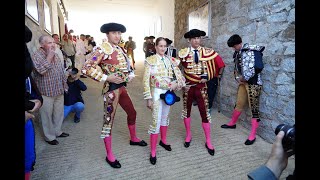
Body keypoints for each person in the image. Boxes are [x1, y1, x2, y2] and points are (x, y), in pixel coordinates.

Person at [81, 22, 147, 168]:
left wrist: (129, 74)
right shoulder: (102, 49)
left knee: (132, 112)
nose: (117, 36)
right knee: (108, 122)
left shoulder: (120, 48)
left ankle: (133, 138)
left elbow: (126, 66)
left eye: (119, 33)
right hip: (111, 90)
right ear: (107, 35)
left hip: (122, 88)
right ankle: (109, 155)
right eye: (114, 33)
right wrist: (106, 77)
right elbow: (86, 68)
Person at [178, 29, 222, 156]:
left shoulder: (208, 52)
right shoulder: (183, 53)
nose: (197, 40)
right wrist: (181, 83)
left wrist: (208, 76)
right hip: (188, 87)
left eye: (199, 38)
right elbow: (175, 69)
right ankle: (188, 135)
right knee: (186, 111)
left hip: (201, 87)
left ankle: (208, 140)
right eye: (194, 38)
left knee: (204, 112)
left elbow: (219, 65)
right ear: (189, 40)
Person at [143, 37, 186, 165]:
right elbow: (145, 80)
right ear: (155, 47)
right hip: (156, 93)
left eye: (164, 46)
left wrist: (177, 84)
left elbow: (180, 77)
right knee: (155, 121)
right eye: (160, 46)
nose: (162, 48)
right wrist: (148, 98)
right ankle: (153, 151)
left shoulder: (171, 60)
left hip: (168, 93)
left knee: (165, 117)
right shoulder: (150, 60)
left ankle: (164, 141)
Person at [221, 34, 264, 145]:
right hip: (243, 83)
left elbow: (256, 68)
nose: (233, 48)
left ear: (239, 43)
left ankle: (253, 134)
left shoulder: (251, 50)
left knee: (254, 109)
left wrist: (244, 78)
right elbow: (236, 68)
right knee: (239, 103)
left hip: (253, 83)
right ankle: (232, 123)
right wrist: (238, 79)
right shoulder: (238, 53)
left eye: (234, 46)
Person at [32, 35, 69, 146]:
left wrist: (64, 85)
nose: (53, 44)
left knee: (58, 113)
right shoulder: (36, 56)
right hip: (46, 92)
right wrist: (49, 56)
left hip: (58, 89)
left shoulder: (56, 53)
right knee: (46, 115)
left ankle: (57, 131)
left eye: (53, 42)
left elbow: (60, 70)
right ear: (42, 45)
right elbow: (41, 71)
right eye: (49, 42)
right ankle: (49, 136)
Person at [25, 25, 43, 180]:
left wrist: (36, 102)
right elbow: (42, 71)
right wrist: (29, 106)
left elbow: (30, 80)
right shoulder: (37, 55)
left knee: (28, 156)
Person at [206, 49, 225, 114]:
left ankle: (209, 108)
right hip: (207, 76)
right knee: (206, 92)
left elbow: (222, 66)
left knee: (211, 93)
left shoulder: (216, 57)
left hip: (213, 77)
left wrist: (219, 74)